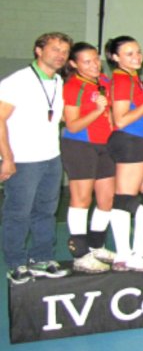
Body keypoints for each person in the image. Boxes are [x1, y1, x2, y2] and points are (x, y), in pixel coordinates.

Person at [1, 32, 73, 284]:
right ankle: (16, 263)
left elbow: (59, 118)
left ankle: (42, 258)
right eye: (55, 49)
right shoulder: (17, 81)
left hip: (51, 159)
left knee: (46, 212)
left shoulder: (58, 82)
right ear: (38, 50)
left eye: (64, 51)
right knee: (18, 213)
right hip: (23, 160)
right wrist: (7, 158)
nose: (60, 55)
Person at [105, 36, 143, 272]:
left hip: (138, 141)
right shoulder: (122, 79)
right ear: (116, 58)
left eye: (138, 52)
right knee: (125, 198)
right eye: (129, 54)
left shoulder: (134, 79)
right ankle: (123, 255)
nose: (136, 57)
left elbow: (140, 115)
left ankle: (139, 247)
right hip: (127, 141)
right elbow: (121, 120)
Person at [61, 42, 116, 273]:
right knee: (82, 199)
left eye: (96, 59)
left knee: (107, 199)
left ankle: (97, 245)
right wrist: (96, 110)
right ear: (73, 64)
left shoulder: (104, 81)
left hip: (106, 145)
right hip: (79, 145)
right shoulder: (73, 87)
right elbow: (72, 125)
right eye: (87, 61)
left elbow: (112, 113)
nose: (94, 65)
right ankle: (80, 254)